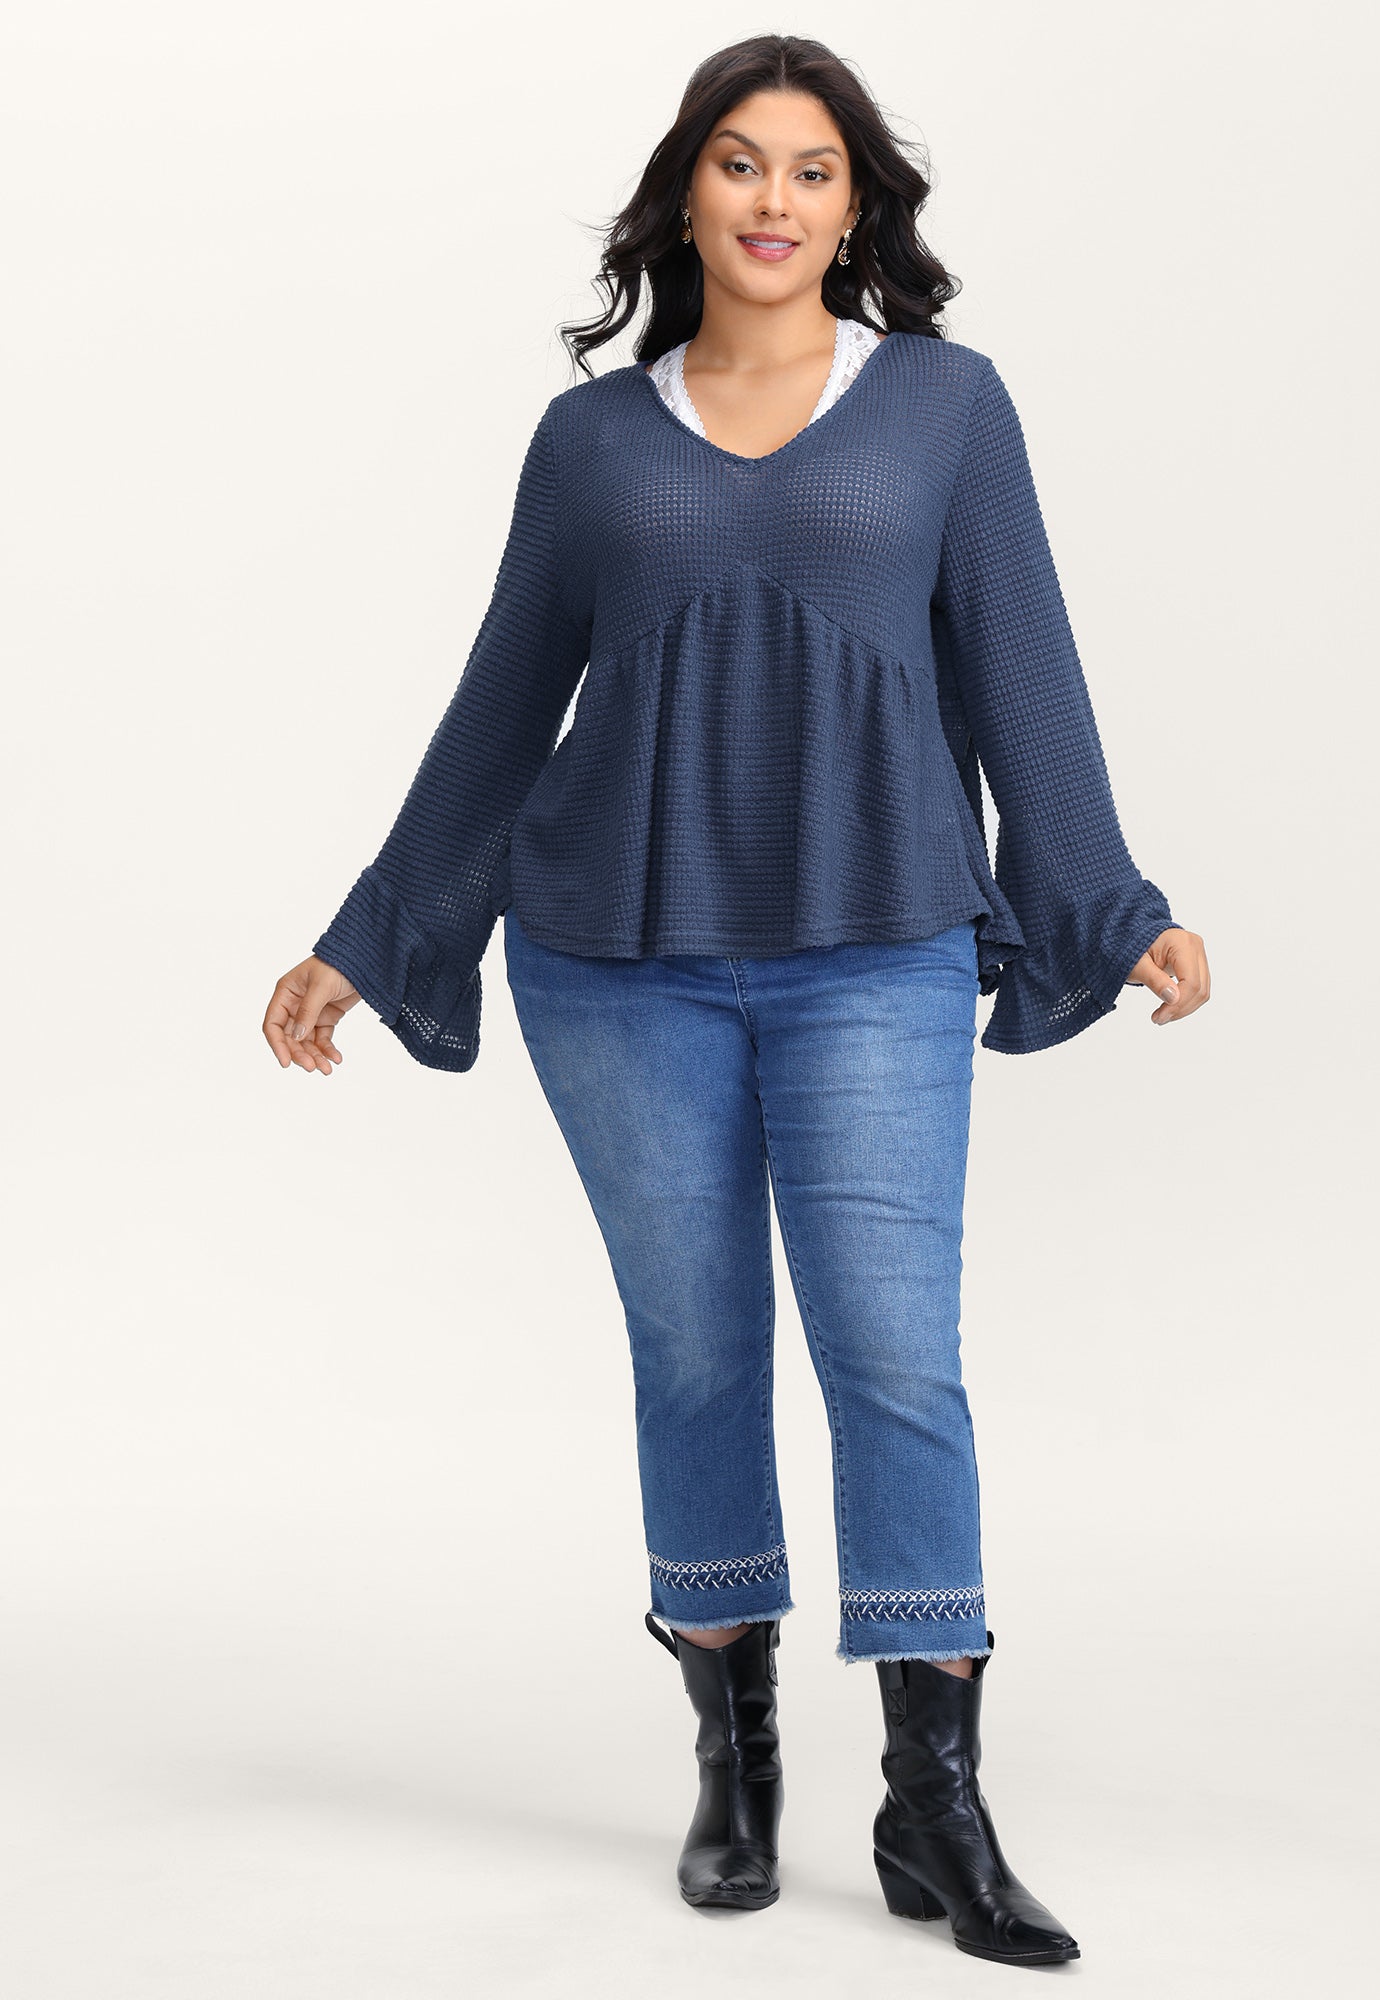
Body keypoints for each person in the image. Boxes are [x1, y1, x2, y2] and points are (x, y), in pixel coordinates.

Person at [262, 34, 1210, 1970]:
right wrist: (374, 931)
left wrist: (1106, 899)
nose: (774, 198)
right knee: (695, 1355)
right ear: (684, 194)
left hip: (879, 939)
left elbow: (1024, 665)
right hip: (617, 958)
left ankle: (935, 1796)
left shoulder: (944, 405)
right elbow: (504, 700)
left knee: (895, 1357)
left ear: (856, 209)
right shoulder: (591, 444)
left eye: (812, 168)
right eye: (739, 162)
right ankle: (737, 1756)